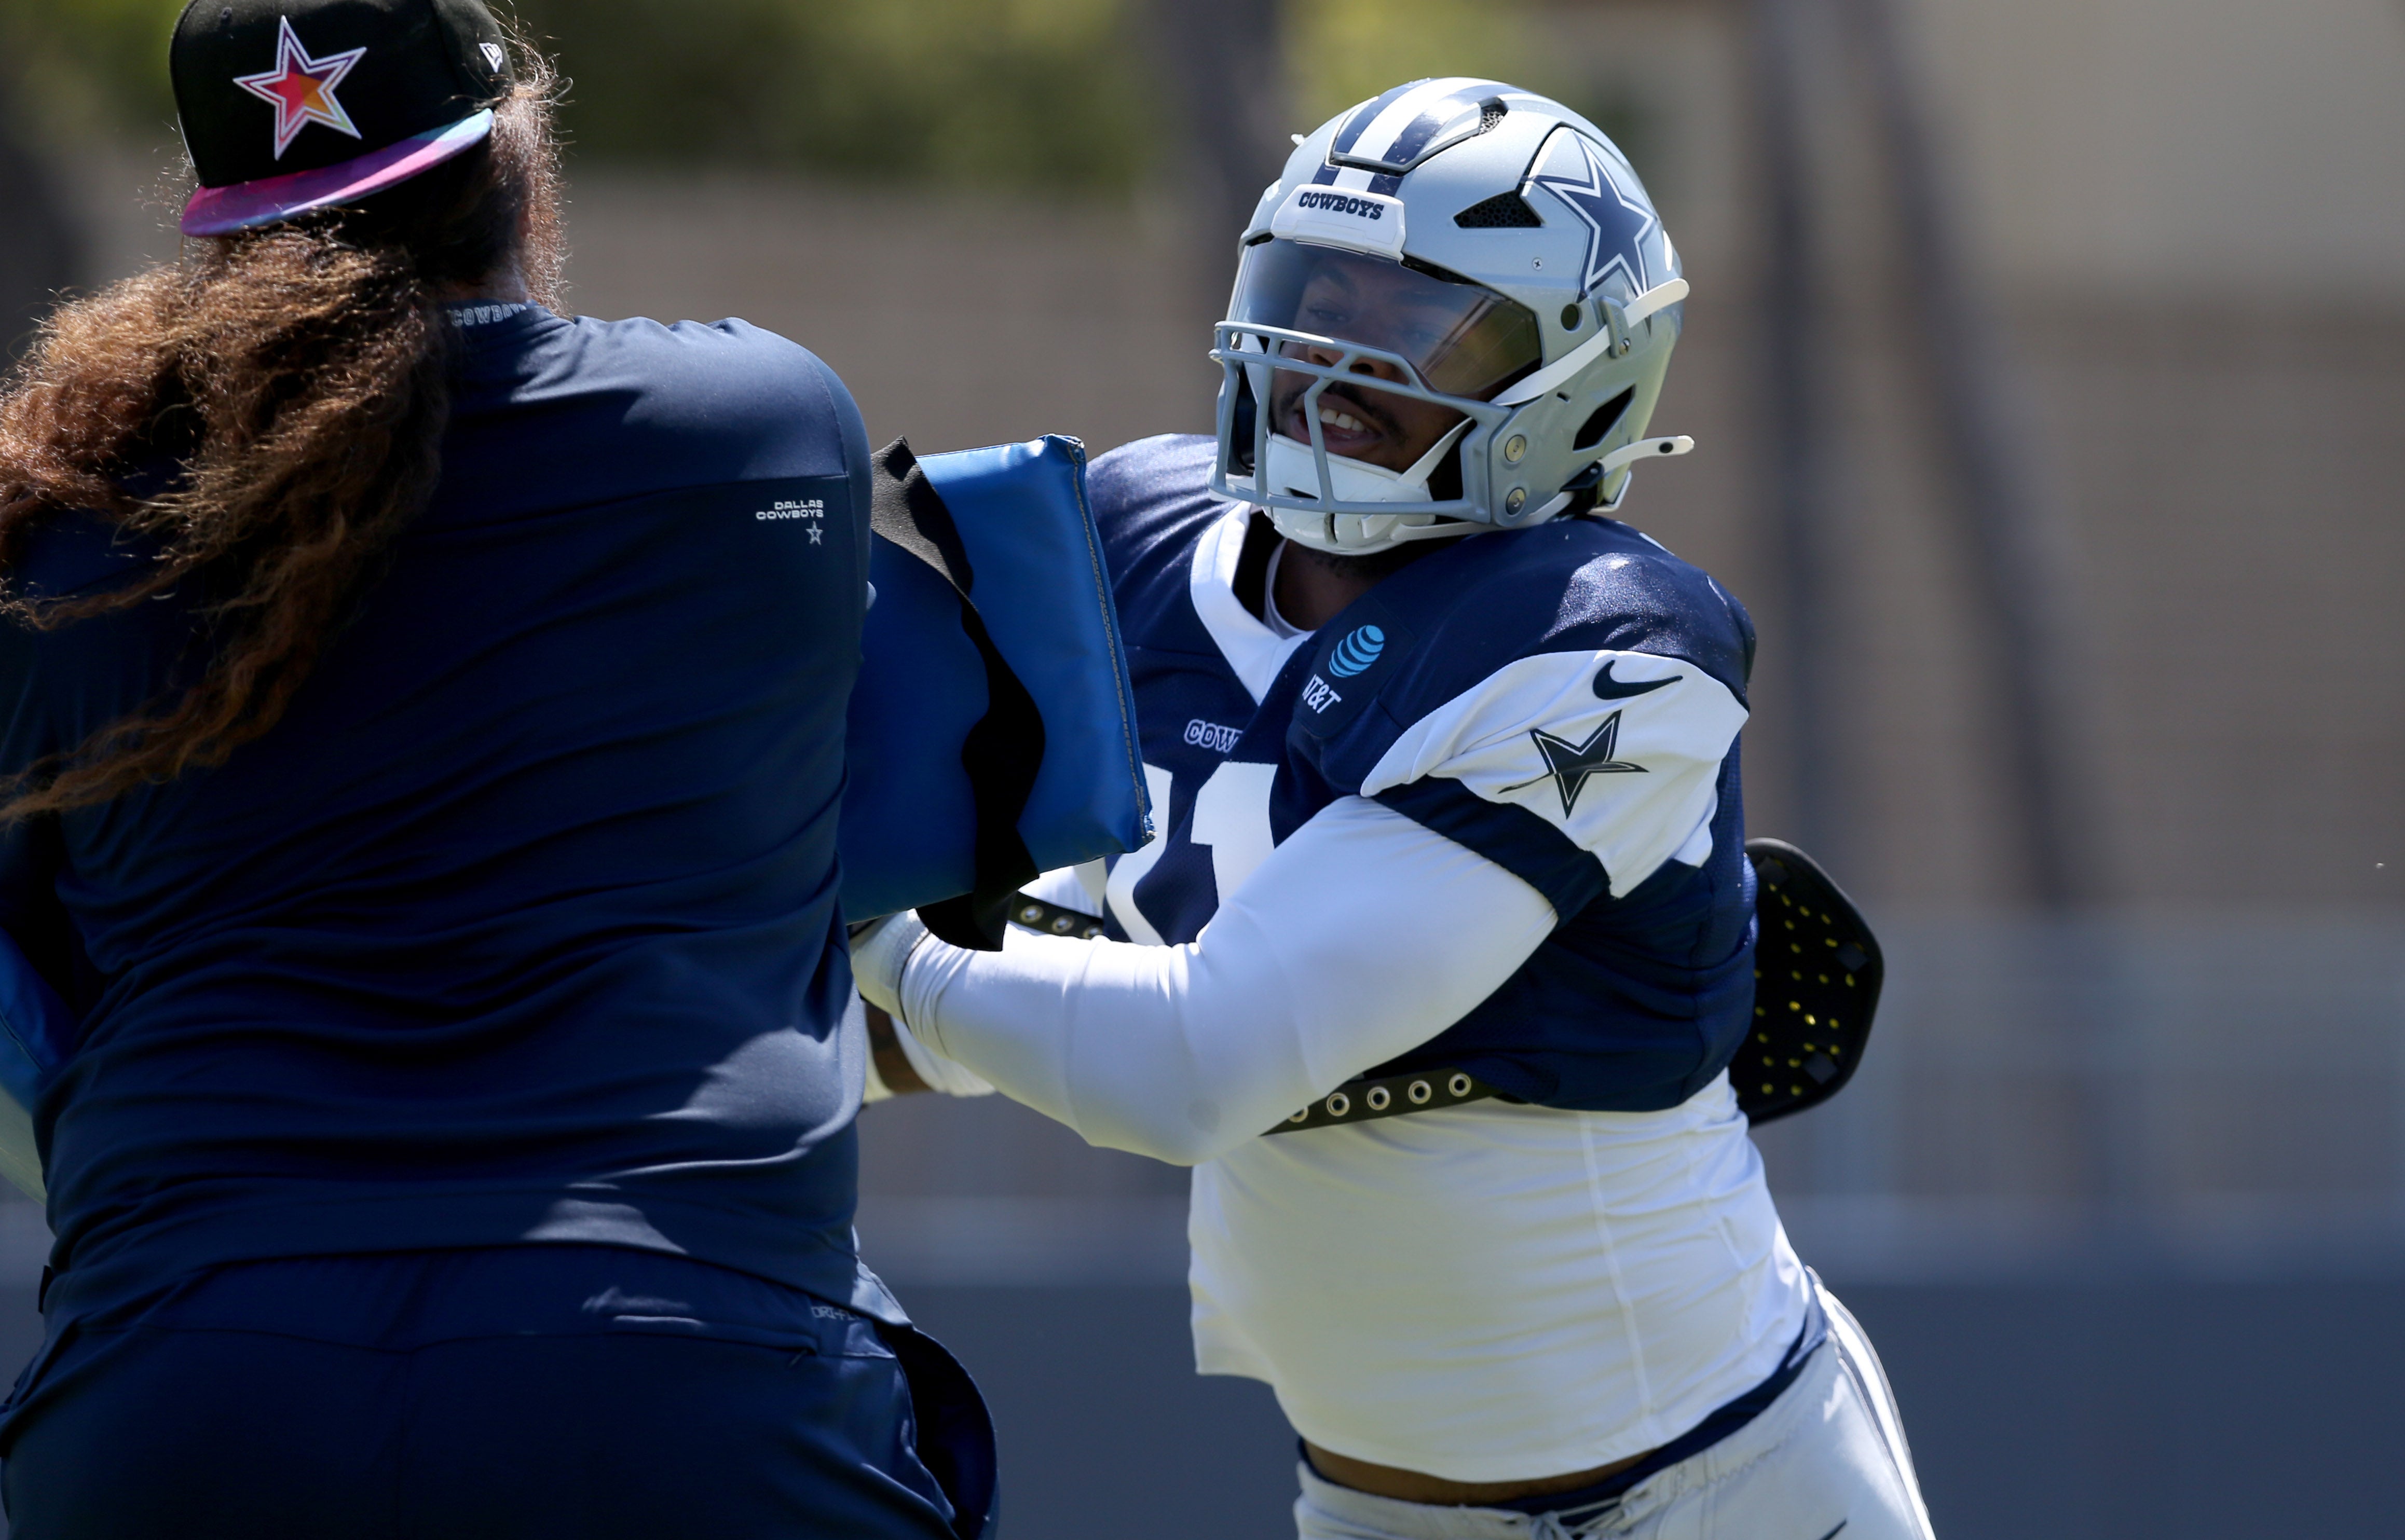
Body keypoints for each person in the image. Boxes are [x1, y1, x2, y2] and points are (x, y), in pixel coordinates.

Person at [856, 79, 1933, 1540]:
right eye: (1310, 299)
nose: (1331, 365)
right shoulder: (1133, 547)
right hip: (1372, 1504)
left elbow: (1197, 1058)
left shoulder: (1602, 647)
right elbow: (1028, 972)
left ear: (1580, 372)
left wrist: (877, 941)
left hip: (1713, 1490)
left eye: (1418, 320)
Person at [0, 3, 987, 1535]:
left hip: (186, 1389)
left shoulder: (55, 545)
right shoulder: (753, 429)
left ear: (217, 229)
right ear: (514, 167)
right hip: (685, 1369)